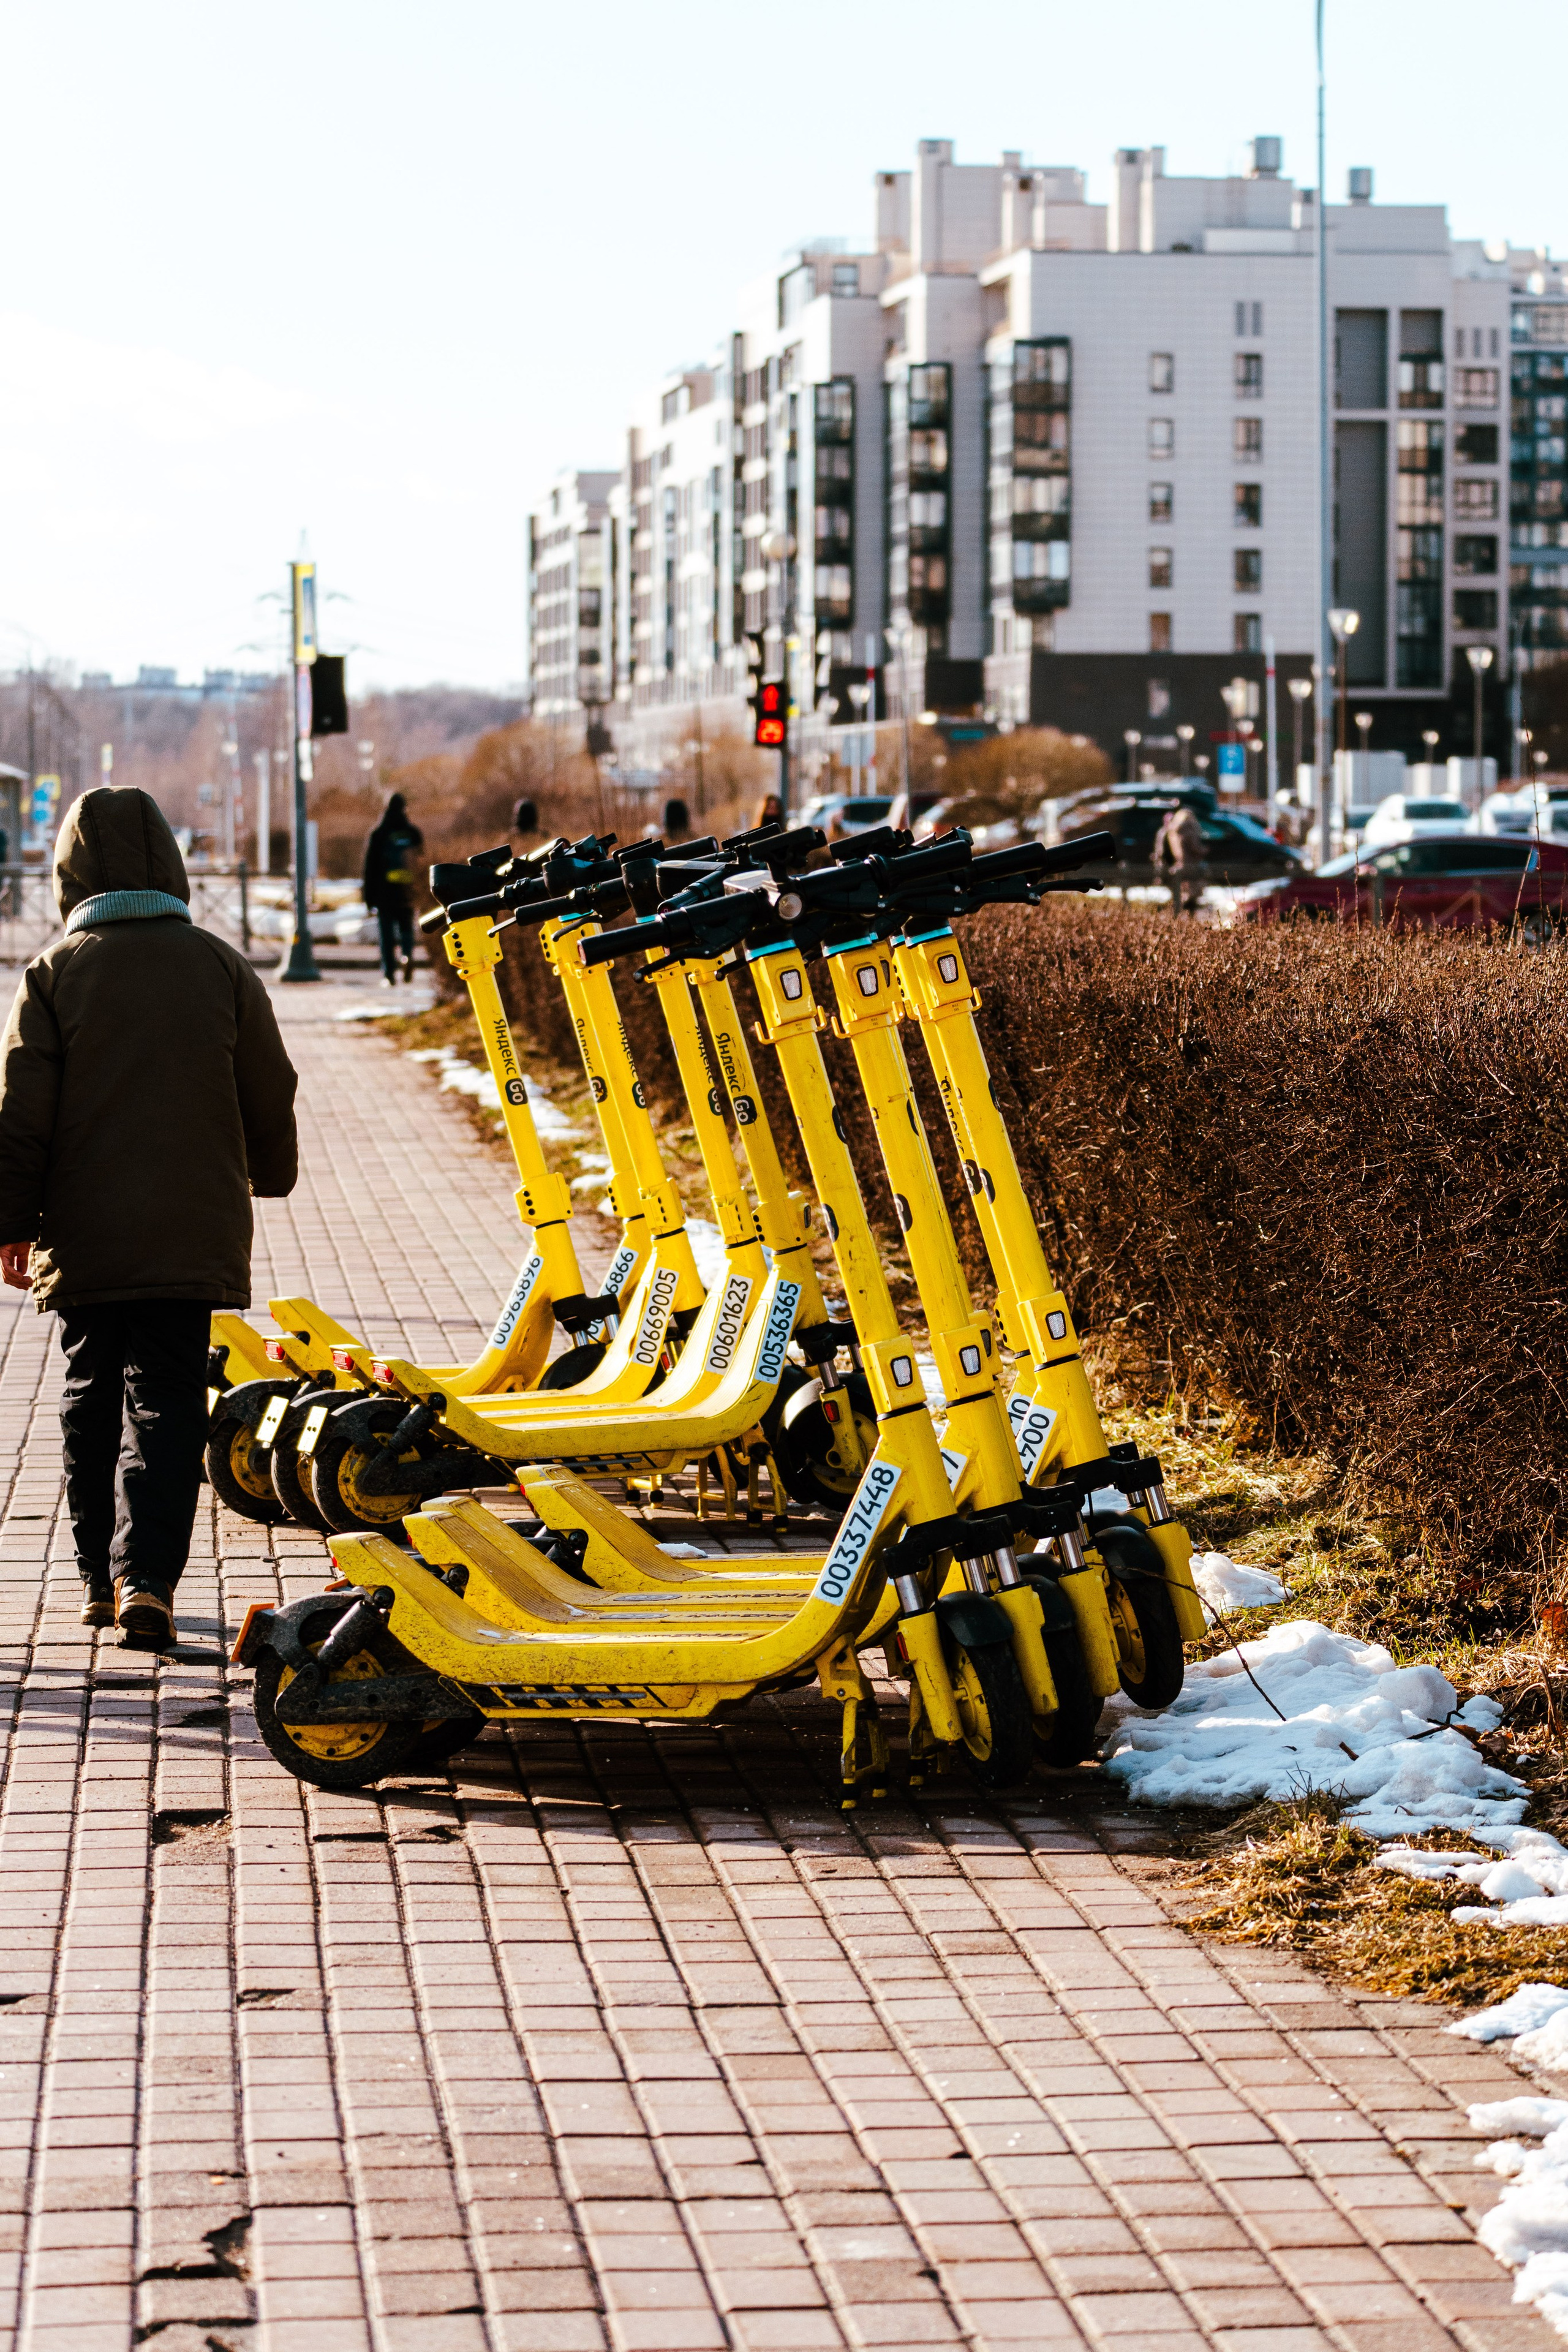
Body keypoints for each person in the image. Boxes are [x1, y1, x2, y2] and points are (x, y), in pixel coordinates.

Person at [0, 788, 298, 1648]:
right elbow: (269, 1087)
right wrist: (267, 1174)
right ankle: (149, 1580)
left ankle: (97, 1578)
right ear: (169, 864)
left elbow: (21, 1113)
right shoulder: (218, 965)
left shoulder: (55, 974)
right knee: (168, 1397)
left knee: (91, 1394)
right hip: (188, 1224)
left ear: (70, 876)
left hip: (85, 1232)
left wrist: (13, 1221)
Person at [363, 790, 424, 985]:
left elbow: (370, 867)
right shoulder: (413, 833)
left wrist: (368, 897)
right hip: (407, 890)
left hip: (385, 893)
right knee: (407, 928)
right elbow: (421, 863)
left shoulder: (379, 833)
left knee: (386, 935)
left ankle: (389, 974)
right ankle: (406, 956)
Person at [1154, 800, 1207, 916]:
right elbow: (1195, 848)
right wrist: (1204, 850)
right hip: (1191, 864)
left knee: (1181, 892)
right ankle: (1189, 913)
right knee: (1193, 892)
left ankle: (1179, 913)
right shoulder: (1189, 830)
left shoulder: (1173, 831)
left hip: (1179, 864)